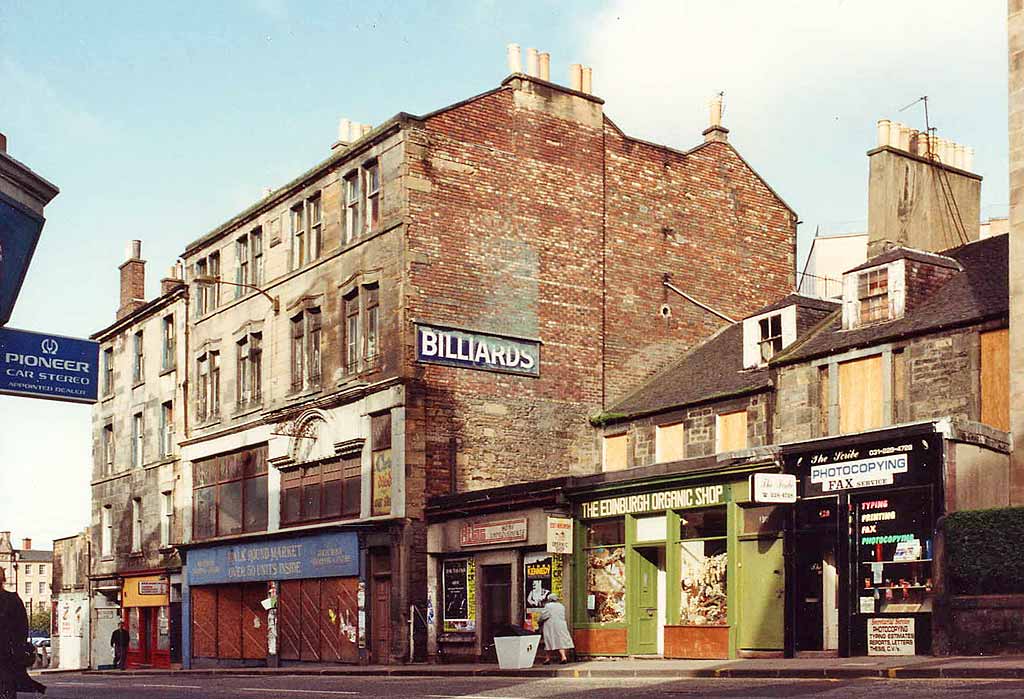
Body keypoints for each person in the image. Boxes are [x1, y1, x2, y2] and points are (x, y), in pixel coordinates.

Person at [0, 567, 46, 697]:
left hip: (7, 655)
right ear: (3, 580)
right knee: (7, 688)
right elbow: (22, 629)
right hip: (9, 655)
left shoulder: (12, 600)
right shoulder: (13, 600)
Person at [538, 593, 574, 665]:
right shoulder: (561, 606)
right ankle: (563, 657)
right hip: (561, 625)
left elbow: (544, 616)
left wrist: (539, 621)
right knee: (560, 641)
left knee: (549, 641)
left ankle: (547, 659)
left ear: (549, 599)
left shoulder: (548, 606)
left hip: (550, 625)